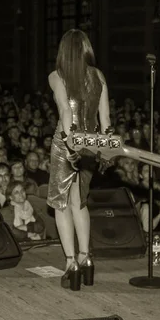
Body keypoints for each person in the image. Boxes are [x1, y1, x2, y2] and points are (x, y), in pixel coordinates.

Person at [47, 29, 110, 290]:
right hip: (92, 144)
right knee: (79, 202)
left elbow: (64, 110)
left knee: (62, 204)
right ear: (85, 49)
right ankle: (86, 259)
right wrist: (104, 149)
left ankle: (71, 263)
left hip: (67, 142)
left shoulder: (56, 76)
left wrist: (70, 143)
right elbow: (105, 120)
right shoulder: (98, 75)